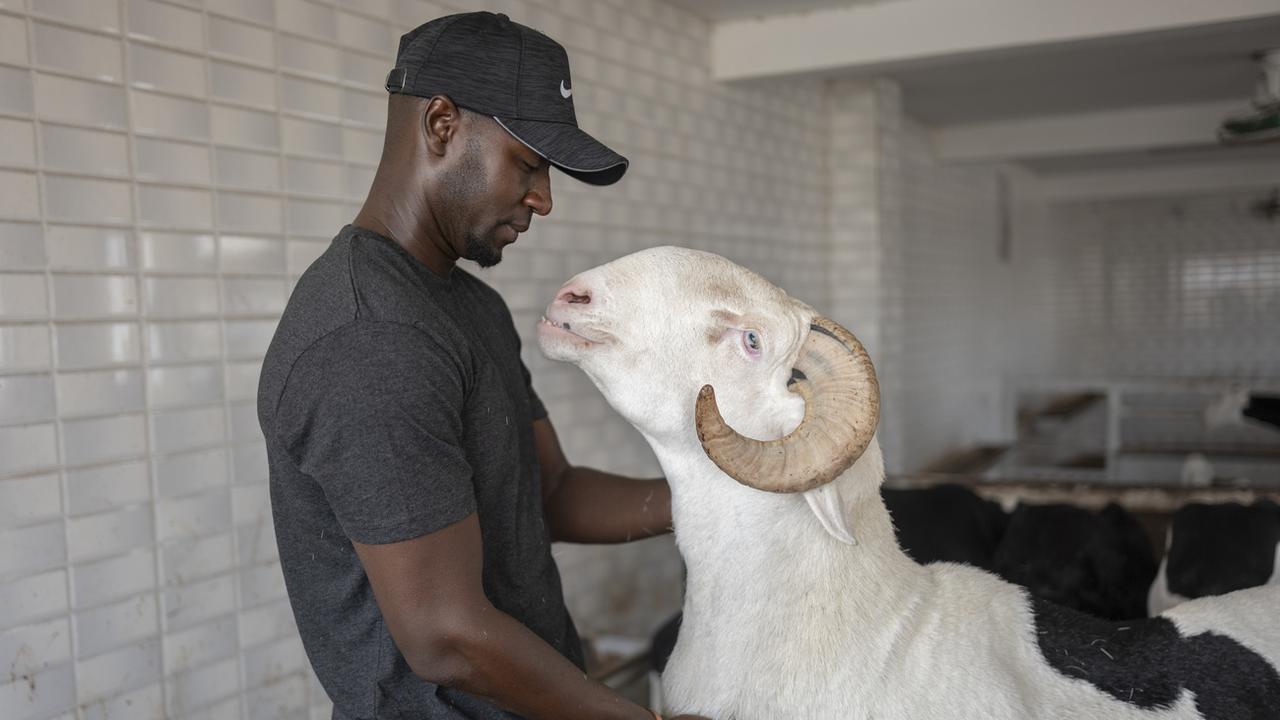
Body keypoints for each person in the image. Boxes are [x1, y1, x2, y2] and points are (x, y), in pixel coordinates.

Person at [258, 11, 707, 720]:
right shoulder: (368, 338)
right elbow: (446, 637)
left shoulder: (468, 308)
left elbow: (550, 493)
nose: (545, 199)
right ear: (441, 124)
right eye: (527, 165)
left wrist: (721, 497)